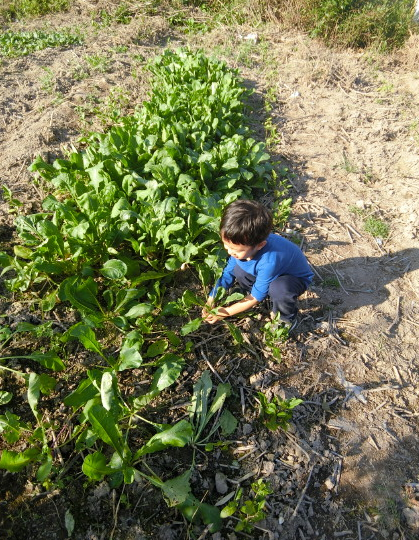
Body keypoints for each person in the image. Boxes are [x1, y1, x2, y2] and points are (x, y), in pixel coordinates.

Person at [202, 199, 313, 327]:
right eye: (226, 246)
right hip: (267, 271)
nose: (229, 251)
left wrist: (224, 313)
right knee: (238, 269)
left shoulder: (269, 261)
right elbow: (227, 274)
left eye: (236, 249)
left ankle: (284, 318)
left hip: (293, 278)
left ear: (260, 245)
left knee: (279, 289)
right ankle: (246, 292)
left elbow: (255, 298)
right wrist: (211, 300)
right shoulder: (241, 247)